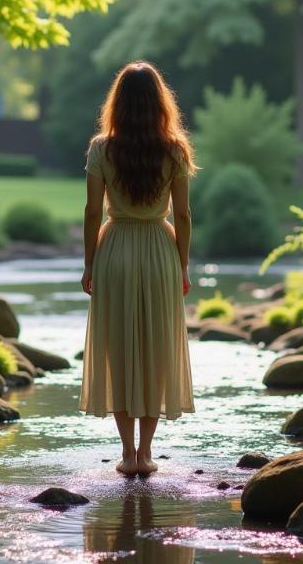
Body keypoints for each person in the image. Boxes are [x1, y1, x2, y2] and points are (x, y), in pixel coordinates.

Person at [78, 60, 196, 477]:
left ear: (119, 103)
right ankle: (147, 454)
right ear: (160, 103)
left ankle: (126, 454)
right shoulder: (175, 149)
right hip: (160, 252)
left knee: (118, 350)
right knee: (156, 352)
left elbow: (93, 212)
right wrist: (181, 266)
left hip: (114, 250)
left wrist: (89, 262)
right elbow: (182, 216)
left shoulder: (101, 148)